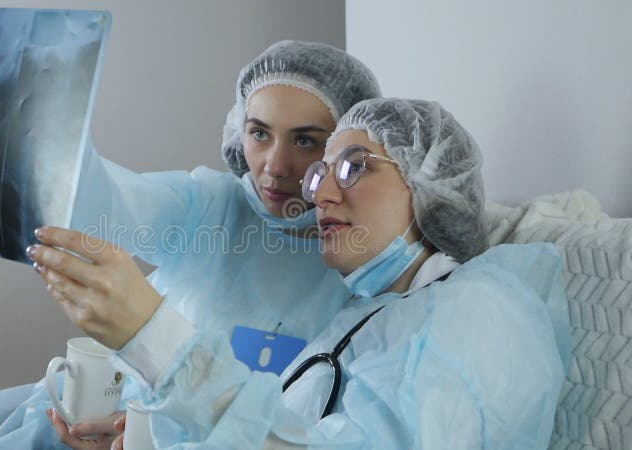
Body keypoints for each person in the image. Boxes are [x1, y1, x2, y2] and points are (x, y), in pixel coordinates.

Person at [35, 97, 571, 449]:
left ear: (428, 182)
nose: (321, 195)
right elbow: (286, 435)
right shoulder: (369, 320)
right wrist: (153, 438)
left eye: (353, 166)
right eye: (321, 176)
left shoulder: (483, 316)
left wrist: (156, 339)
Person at [0, 41, 381, 450]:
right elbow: (113, 204)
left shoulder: (362, 265)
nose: (274, 166)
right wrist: (38, 125)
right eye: (259, 133)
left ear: (348, 154)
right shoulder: (212, 208)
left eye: (305, 140)